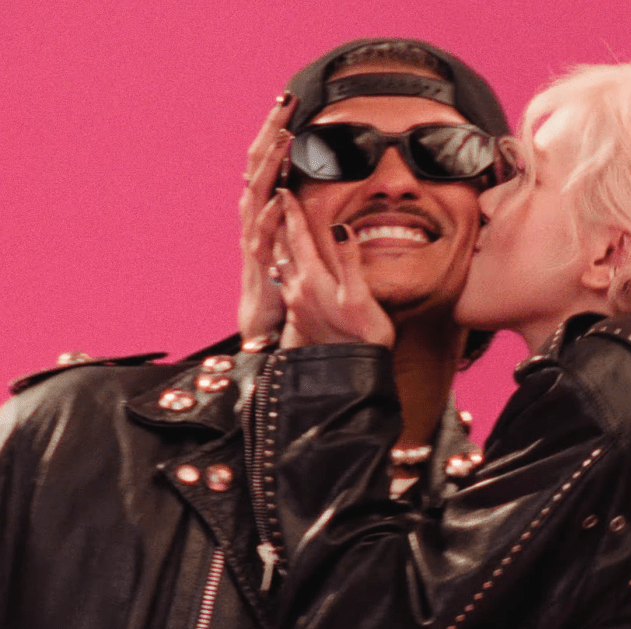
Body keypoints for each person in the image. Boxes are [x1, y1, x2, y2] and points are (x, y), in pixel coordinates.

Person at [253, 61, 631, 628]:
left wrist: (328, 367)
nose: (487, 202)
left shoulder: (611, 387)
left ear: (609, 251)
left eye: (529, 180)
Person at [0, 38, 510, 628]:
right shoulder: (70, 431)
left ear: (497, 211)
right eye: (338, 151)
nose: (393, 183)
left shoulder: (509, 526)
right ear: (271, 204)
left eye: (445, 150)